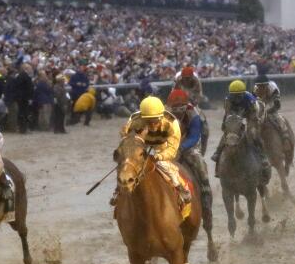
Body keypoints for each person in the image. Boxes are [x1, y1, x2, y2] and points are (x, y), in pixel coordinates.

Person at [114, 96, 190, 208]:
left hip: (162, 147)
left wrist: (159, 156)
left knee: (164, 165)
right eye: (148, 121)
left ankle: (180, 188)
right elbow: (127, 141)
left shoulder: (172, 124)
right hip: (142, 145)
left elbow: (172, 149)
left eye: (155, 121)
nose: (152, 125)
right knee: (126, 165)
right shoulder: (134, 121)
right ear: (142, 118)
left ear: (161, 117)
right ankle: (118, 191)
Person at [167, 89, 212, 226]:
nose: (177, 112)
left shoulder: (194, 114)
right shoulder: (163, 114)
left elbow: (194, 136)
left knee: (199, 162)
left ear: (186, 106)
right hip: (169, 145)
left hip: (188, 145)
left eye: (181, 108)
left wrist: (181, 147)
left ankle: (205, 193)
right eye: (174, 109)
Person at [212, 80, 269, 179]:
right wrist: (226, 125)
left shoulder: (251, 100)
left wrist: (250, 126)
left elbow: (254, 117)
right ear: (230, 95)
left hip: (251, 113)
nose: (236, 98)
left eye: (238, 96)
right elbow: (228, 115)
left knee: (253, 132)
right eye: (234, 96)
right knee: (229, 132)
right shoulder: (228, 100)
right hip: (236, 113)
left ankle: (263, 156)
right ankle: (218, 153)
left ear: (243, 94)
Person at [253, 74, 292, 153]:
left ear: (267, 85)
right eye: (259, 86)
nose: (261, 88)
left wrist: (266, 112)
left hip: (271, 100)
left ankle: (285, 138)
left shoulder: (274, 89)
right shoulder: (255, 90)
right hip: (260, 101)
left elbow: (277, 106)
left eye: (263, 86)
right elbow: (253, 104)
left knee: (277, 117)